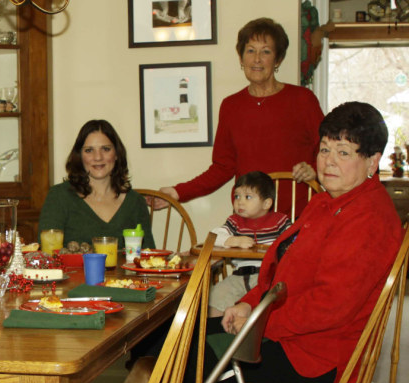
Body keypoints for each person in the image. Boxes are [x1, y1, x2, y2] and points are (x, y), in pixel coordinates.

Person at [160, 101, 403, 383]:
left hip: (322, 356)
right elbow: (281, 270)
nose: (328, 161)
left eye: (344, 152)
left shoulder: (368, 217)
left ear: (372, 161)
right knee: (182, 338)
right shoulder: (328, 202)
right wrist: (246, 302)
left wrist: (257, 325)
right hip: (295, 334)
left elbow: (330, 307)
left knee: (194, 354)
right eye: (325, 148)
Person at [159, 18, 324, 218]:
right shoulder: (231, 106)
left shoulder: (302, 100)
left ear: (278, 59)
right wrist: (177, 192)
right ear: (241, 58)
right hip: (249, 222)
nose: (257, 59)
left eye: (266, 51)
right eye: (250, 51)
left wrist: (313, 170)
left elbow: (327, 152)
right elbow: (222, 168)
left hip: (299, 219)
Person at [38, 119, 156, 249]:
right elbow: (47, 256)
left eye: (105, 149)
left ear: (116, 154)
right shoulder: (59, 197)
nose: (98, 157)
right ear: (79, 156)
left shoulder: (136, 202)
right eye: (89, 150)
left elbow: (148, 256)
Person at [208, 171, 290, 317]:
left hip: (267, 278)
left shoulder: (280, 221)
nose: (240, 201)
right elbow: (213, 236)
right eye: (237, 196)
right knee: (214, 298)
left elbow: (296, 240)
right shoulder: (235, 222)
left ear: (266, 203)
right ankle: (216, 334)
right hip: (238, 277)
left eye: (248, 197)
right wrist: (233, 240)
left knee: (274, 303)